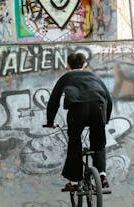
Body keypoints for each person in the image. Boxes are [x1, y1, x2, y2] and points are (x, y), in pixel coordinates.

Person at [45, 52, 112, 191]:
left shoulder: (66, 77)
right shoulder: (94, 77)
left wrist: (50, 121)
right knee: (98, 142)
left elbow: (54, 101)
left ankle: (74, 182)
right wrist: (105, 120)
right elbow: (108, 99)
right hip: (98, 108)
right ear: (84, 64)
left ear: (68, 65)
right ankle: (102, 175)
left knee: (74, 142)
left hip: (78, 109)